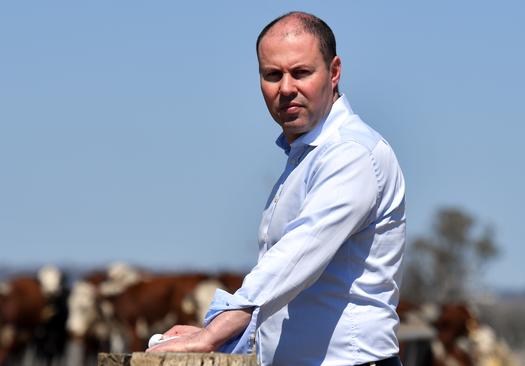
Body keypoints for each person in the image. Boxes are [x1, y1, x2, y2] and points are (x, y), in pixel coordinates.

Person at [147, 11, 406, 366]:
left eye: (301, 72)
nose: (286, 89)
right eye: (272, 75)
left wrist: (213, 334)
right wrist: (211, 336)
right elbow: (286, 296)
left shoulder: (352, 153)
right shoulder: (307, 155)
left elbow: (298, 255)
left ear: (334, 72)